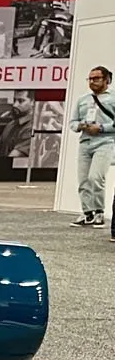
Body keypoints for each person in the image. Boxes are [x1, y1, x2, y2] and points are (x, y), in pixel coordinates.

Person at [72, 65, 114, 234]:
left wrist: (102, 128)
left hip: (105, 141)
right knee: (83, 180)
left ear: (106, 80)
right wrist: (80, 126)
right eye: (90, 78)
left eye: (96, 78)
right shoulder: (83, 99)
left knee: (95, 177)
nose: (92, 82)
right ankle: (87, 213)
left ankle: (99, 212)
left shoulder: (112, 99)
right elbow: (73, 121)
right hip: (85, 142)